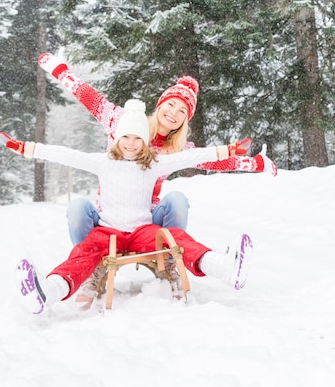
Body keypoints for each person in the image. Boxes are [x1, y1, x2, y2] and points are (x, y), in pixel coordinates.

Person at [0, 99, 253, 315]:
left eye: (137, 138)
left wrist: (228, 151)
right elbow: (65, 154)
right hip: (107, 231)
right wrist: (26, 148)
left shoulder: (153, 164)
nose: (131, 143)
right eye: (125, 137)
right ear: (117, 139)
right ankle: (47, 292)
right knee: (83, 252)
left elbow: (190, 156)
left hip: (143, 231)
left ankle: (224, 268)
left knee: (175, 237)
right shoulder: (103, 162)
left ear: (144, 141)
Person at [38, 52, 276, 247]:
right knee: (78, 208)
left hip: (146, 220)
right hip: (108, 216)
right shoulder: (122, 120)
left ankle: (172, 257)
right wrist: (60, 70)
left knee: (178, 200)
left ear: (185, 120)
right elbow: (88, 97)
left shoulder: (178, 149)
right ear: (160, 105)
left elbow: (213, 162)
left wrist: (255, 163)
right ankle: (90, 267)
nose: (174, 113)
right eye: (171, 104)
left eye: (182, 111)